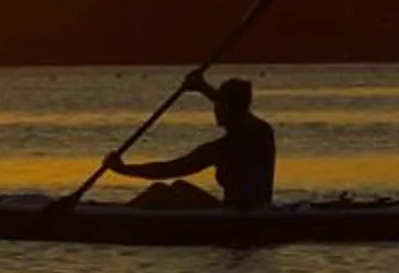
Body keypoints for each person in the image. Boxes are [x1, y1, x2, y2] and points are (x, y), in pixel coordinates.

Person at [104, 70, 277, 209]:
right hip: (256, 209)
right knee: (179, 187)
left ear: (226, 108)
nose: (215, 110)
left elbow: (169, 169)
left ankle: (123, 216)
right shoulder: (262, 132)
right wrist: (202, 87)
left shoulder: (221, 149)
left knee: (159, 191)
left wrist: (123, 169)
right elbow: (235, 107)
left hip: (235, 213)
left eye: (219, 106)